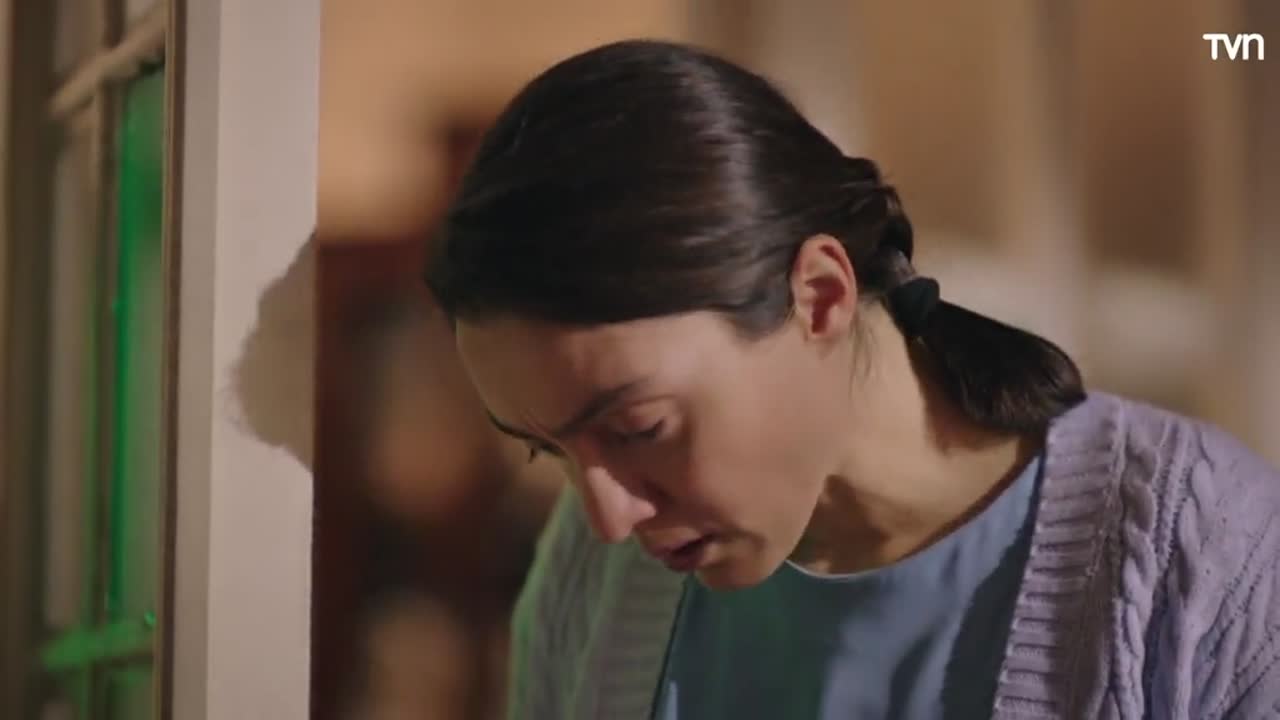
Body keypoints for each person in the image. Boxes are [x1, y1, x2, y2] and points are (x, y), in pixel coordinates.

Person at [423, 39, 1280, 720]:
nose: (609, 519)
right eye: (549, 451)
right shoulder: (593, 577)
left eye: (640, 428)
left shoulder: (1204, 559)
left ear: (821, 296)